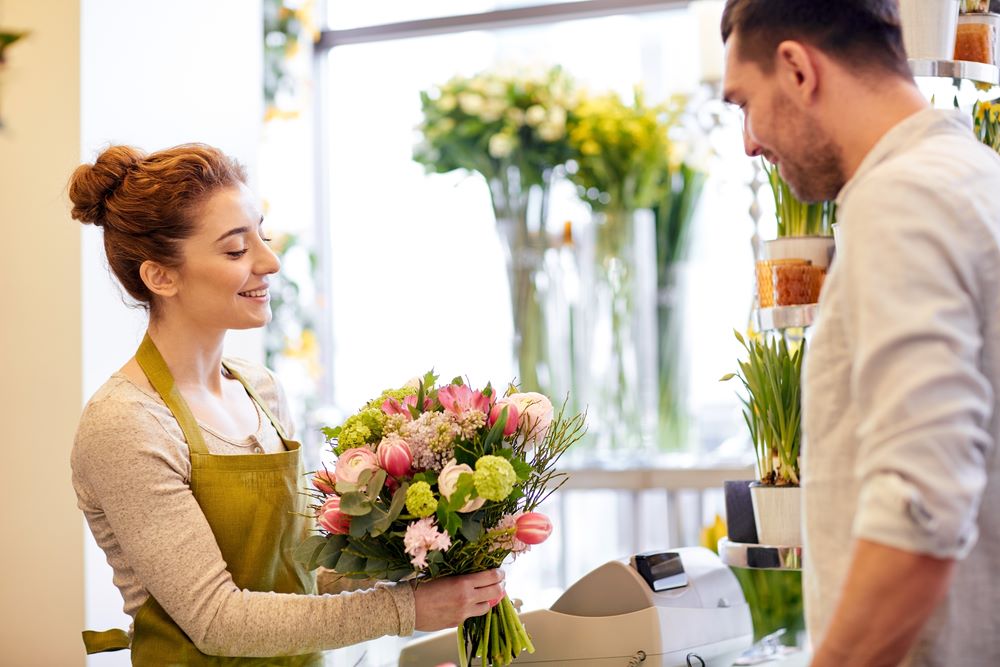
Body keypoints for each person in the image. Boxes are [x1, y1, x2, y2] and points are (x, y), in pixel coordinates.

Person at [69, 143, 504, 665]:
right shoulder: (126, 423)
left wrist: (428, 550)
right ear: (161, 276)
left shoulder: (262, 390)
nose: (269, 262)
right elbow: (216, 620)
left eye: (263, 236)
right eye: (235, 251)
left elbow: (301, 569)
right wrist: (405, 610)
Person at [720, 2, 1000, 665]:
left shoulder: (900, 202)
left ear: (796, 68)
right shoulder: (976, 177)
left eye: (743, 104)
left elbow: (919, 504)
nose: (750, 143)